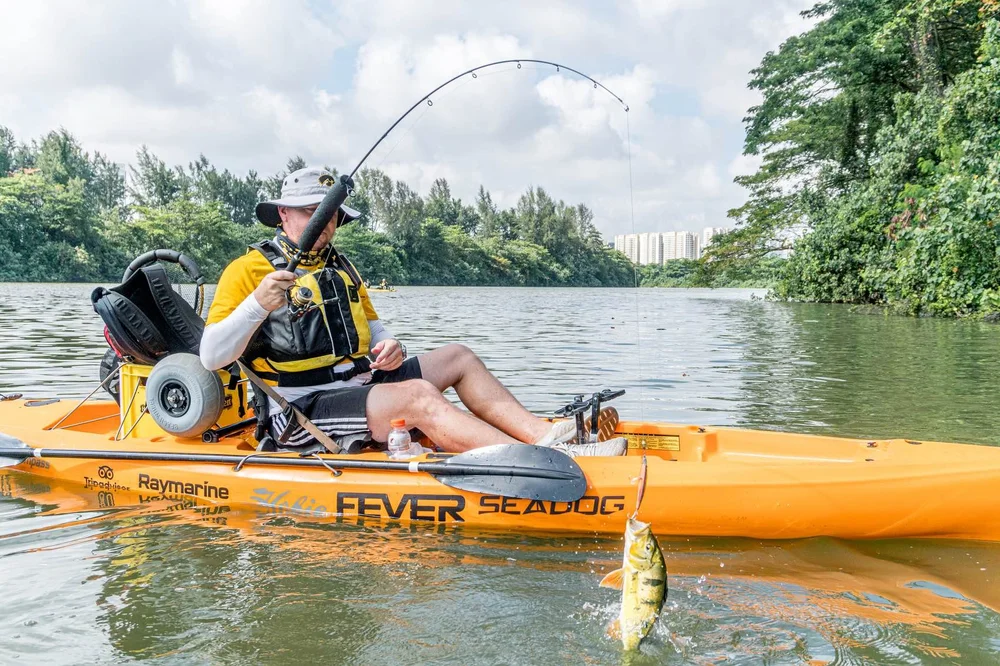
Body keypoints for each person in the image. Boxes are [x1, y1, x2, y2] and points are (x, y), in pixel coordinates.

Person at [200, 167, 626, 457]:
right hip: (301, 411)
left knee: (458, 356)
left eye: (330, 214)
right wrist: (257, 304)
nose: (324, 222)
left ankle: (545, 437)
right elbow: (211, 356)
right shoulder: (246, 270)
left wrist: (391, 347)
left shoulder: (341, 266)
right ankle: (543, 461)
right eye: (312, 212)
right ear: (283, 213)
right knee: (420, 395)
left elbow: (375, 330)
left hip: (361, 385)